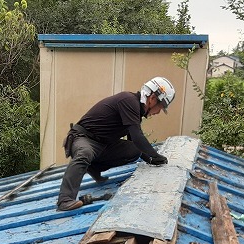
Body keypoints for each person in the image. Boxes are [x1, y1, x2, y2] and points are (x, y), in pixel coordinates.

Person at [56, 76, 175, 211]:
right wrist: (156, 156)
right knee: (85, 153)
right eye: (160, 107)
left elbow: (133, 139)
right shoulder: (129, 101)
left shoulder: (136, 109)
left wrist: (149, 158)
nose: (158, 112)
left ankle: (94, 167)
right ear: (152, 98)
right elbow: (137, 136)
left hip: (102, 144)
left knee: (135, 151)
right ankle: (65, 200)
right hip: (82, 138)